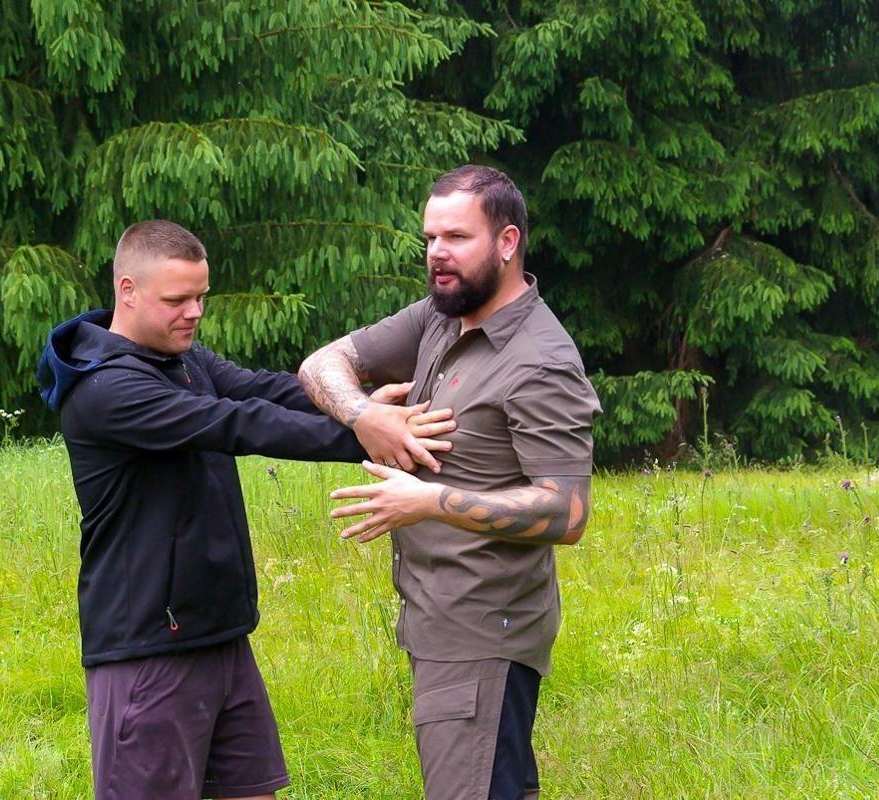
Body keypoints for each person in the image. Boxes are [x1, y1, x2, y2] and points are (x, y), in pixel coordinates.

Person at [36, 220, 454, 800]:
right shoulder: (107, 391)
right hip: (147, 651)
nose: (193, 313)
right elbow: (237, 424)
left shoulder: (183, 358)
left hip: (222, 634)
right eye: (176, 300)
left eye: (201, 297)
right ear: (127, 290)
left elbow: (264, 390)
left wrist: (355, 405)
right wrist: (369, 431)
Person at [298, 165, 602, 800]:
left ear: (508, 242)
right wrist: (365, 415)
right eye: (431, 238)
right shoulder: (441, 316)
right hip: (437, 620)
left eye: (457, 237)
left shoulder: (541, 362)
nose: (437, 252)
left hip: (484, 631)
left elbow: (568, 512)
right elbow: (322, 364)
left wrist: (428, 500)